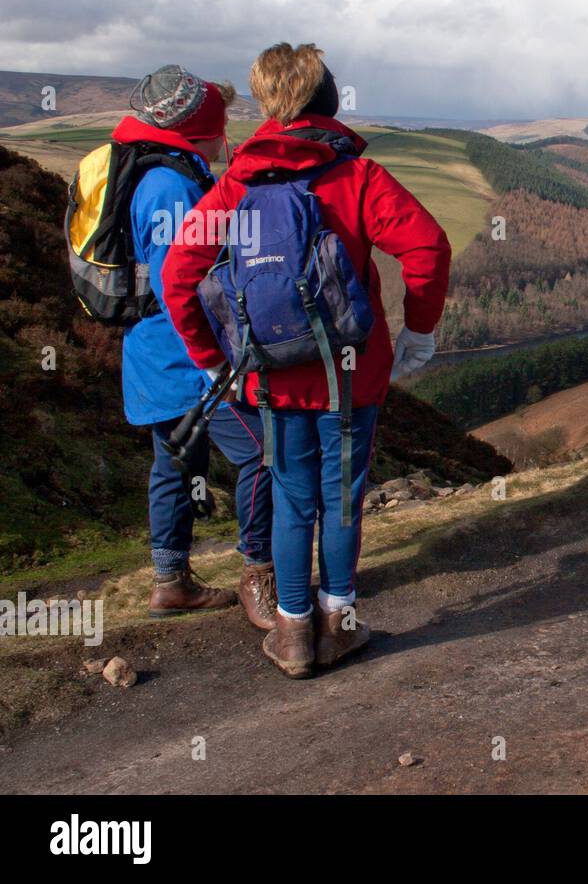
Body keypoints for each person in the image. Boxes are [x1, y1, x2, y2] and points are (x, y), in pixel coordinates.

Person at [163, 43, 451, 678]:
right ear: (330, 102)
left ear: (269, 105)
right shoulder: (355, 177)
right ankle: (339, 625)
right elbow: (428, 247)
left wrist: (212, 360)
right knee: (343, 498)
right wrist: (418, 333)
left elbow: (179, 273)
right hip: (350, 373)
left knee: (293, 498)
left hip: (268, 377)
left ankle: (294, 634)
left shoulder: (237, 185)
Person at [114, 65, 278, 628]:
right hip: (187, 357)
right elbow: (177, 281)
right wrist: (216, 360)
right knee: (263, 451)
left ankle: (171, 582)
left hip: (154, 354)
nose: (227, 131)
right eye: (222, 120)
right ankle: (261, 572)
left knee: (176, 464)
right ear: (201, 127)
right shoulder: (172, 186)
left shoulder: (157, 172)